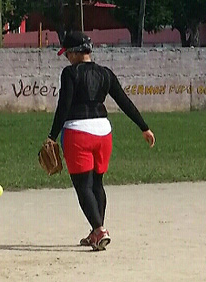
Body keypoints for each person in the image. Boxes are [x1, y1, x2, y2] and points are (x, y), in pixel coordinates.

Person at [47, 31, 156, 251]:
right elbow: (123, 101)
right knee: (97, 183)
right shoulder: (106, 73)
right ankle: (96, 231)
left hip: (78, 132)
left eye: (67, 53)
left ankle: (99, 230)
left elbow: (64, 106)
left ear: (76, 53)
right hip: (103, 133)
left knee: (83, 186)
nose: (67, 57)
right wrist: (144, 126)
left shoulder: (70, 73)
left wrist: (51, 136)